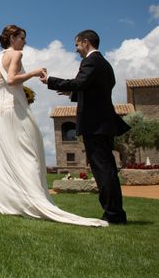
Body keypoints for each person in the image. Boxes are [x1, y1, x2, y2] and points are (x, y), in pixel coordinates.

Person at [0, 24, 108, 227]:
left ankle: (13, 202)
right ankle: (35, 200)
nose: (24, 42)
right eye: (22, 38)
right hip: (16, 110)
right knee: (31, 154)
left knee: (10, 156)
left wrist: (6, 99)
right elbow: (11, 79)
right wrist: (34, 73)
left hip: (1, 111)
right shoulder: (16, 54)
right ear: (12, 38)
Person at [41, 30, 130, 225]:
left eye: (77, 45)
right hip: (104, 124)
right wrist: (72, 93)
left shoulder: (90, 61)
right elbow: (94, 89)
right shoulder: (105, 64)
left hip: (95, 126)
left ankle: (113, 215)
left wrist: (50, 80)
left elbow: (81, 82)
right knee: (107, 169)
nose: (76, 49)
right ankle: (116, 213)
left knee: (103, 170)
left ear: (86, 42)